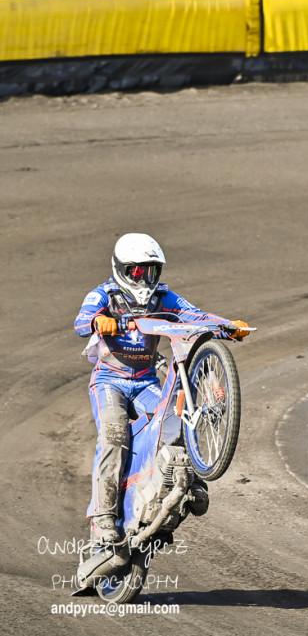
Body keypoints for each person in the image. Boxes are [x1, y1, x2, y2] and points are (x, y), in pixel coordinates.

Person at [74, 233, 250, 544]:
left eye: (151, 271)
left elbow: (196, 317)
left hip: (144, 381)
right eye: (137, 272)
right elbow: (81, 320)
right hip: (109, 381)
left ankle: (192, 482)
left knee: (175, 420)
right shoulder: (104, 294)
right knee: (115, 436)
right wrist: (99, 321)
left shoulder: (165, 298)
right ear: (121, 269)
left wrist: (227, 326)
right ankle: (103, 515)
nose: (144, 280)